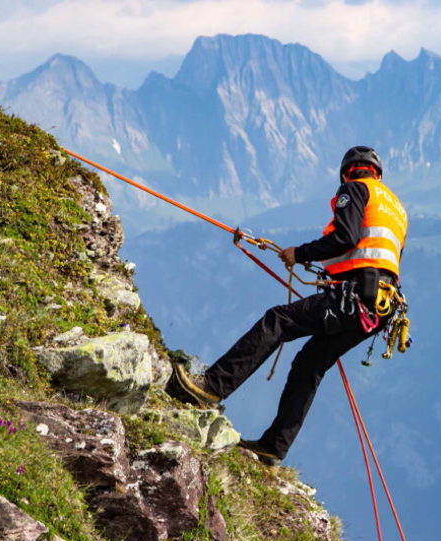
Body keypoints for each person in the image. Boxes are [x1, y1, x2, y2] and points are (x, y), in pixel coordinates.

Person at [168, 146, 408, 466]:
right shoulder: (396, 208)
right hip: (381, 307)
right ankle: (274, 446)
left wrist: (300, 253)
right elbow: (377, 257)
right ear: (377, 172)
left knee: (278, 321)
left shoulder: (354, 189)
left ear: (348, 171)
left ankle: (211, 386)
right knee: (310, 363)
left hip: (354, 298)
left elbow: (346, 239)